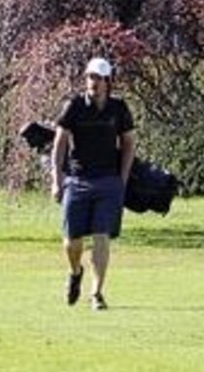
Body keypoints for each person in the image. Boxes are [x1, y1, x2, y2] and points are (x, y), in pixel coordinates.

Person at [50, 57, 135, 311]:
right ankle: (76, 272)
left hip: (108, 180)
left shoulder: (119, 108)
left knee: (101, 237)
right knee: (71, 241)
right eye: (90, 77)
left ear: (108, 82)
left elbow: (128, 143)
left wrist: (122, 179)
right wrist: (57, 179)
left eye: (98, 78)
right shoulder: (74, 105)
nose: (93, 83)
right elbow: (60, 142)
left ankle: (96, 293)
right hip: (78, 179)